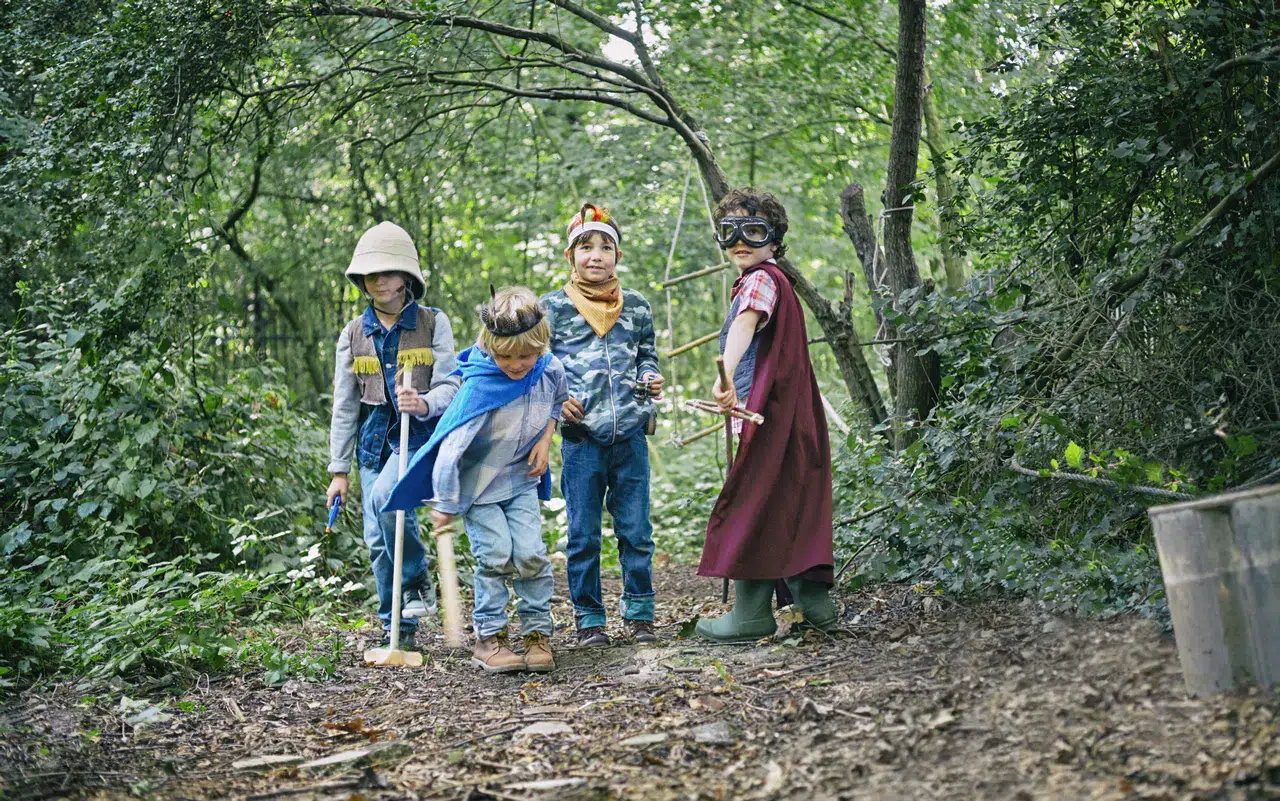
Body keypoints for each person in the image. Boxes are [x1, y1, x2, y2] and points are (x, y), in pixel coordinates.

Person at [383, 287, 569, 673]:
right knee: (497, 555)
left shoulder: (548, 368)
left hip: (520, 479)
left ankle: (537, 634)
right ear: (490, 347)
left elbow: (557, 401)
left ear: (541, 344)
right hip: (478, 487)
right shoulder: (479, 384)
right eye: (506, 356)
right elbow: (451, 448)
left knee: (532, 554)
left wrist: (547, 439)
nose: (516, 364)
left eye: (525, 355)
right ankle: (490, 638)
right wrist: (445, 505)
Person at [695, 188, 838, 642]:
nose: (741, 241)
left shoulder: (760, 279)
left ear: (774, 240)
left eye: (753, 231)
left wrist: (726, 375)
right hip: (794, 418)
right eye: (729, 231)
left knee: (752, 502)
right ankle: (815, 605)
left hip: (769, 417)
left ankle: (751, 615)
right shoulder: (782, 282)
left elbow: (745, 323)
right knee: (791, 502)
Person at [326, 221, 460, 651]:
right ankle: (397, 628)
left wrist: (424, 402)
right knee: (376, 542)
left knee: (388, 500)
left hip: (417, 437)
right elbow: (345, 405)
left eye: (388, 271)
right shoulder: (352, 333)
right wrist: (338, 471)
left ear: (406, 278)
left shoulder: (432, 322)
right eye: (370, 273)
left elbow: (452, 385)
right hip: (372, 443)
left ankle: (417, 579)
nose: (379, 280)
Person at [541, 203, 663, 647]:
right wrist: (558, 404)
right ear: (570, 256)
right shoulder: (552, 308)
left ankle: (641, 616)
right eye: (585, 247)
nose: (596, 255)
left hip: (629, 433)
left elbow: (646, 354)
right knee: (582, 534)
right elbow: (538, 367)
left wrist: (649, 377)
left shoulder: (636, 305)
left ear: (618, 255)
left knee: (636, 530)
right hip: (580, 438)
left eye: (605, 247)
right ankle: (589, 621)